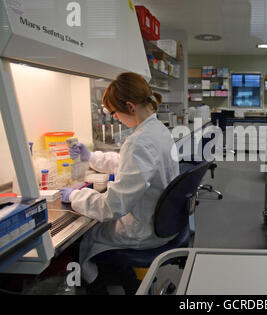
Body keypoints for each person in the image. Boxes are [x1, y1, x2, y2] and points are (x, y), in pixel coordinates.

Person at [60, 72, 180, 287]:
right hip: (165, 223)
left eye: (115, 112)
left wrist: (76, 196)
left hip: (144, 230)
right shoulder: (158, 130)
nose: (115, 117)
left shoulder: (140, 141)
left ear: (130, 107)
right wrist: (92, 157)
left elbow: (113, 207)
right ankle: (126, 279)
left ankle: (102, 288)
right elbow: (134, 165)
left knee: (82, 240)